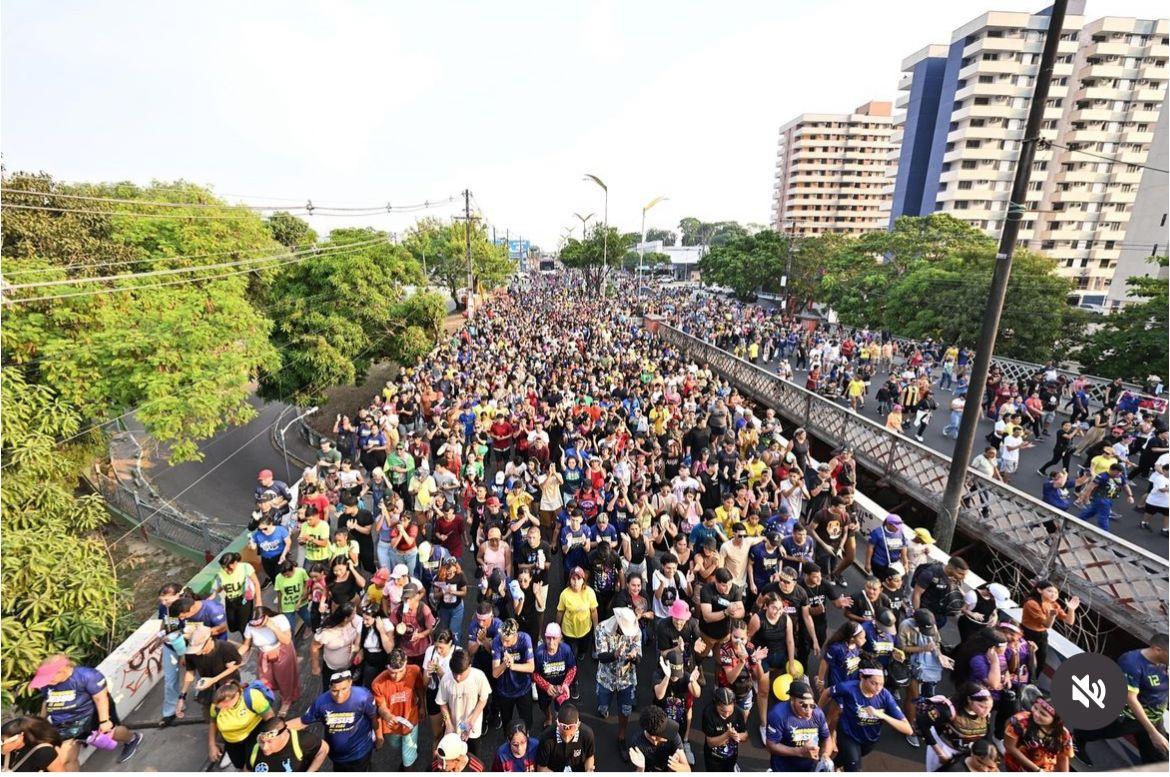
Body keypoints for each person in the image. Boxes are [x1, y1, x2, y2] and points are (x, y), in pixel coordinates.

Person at [28, 654, 142, 770]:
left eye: (49, 678)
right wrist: (42, 721)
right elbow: (47, 701)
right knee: (64, 761)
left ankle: (132, 738)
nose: (47, 682)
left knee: (114, 732)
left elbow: (101, 698)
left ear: (62, 670)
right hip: (63, 725)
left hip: (89, 717)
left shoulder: (87, 676)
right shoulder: (47, 684)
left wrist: (104, 721)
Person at [1073, 633, 1169, 766]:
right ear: (1158, 650)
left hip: (1155, 716)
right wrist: (1152, 732)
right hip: (1128, 715)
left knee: (1160, 757)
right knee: (1098, 731)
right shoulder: (1132, 663)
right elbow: (1130, 699)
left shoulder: (1164, 663)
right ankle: (1075, 739)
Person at [825, 664, 912, 772]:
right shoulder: (848, 688)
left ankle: (834, 765)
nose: (878, 688)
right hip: (848, 735)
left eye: (881, 684)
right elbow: (827, 692)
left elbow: (908, 729)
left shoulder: (885, 696)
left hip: (869, 740)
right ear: (862, 677)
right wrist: (817, 711)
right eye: (874, 683)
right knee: (854, 767)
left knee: (847, 758)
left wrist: (882, 715)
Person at [289, 670, 381, 771]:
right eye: (335, 691)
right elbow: (302, 722)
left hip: (360, 753)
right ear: (329, 687)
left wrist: (379, 737)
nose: (339, 695)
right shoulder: (321, 703)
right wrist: (278, 729)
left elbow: (374, 717)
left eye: (344, 689)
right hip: (337, 756)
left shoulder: (363, 697)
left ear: (350, 683)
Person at [594, 607, 642, 755]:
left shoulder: (636, 630)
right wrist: (615, 654)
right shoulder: (601, 628)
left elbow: (639, 658)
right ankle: (604, 708)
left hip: (626, 680)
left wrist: (634, 657)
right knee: (602, 705)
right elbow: (601, 656)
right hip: (606, 678)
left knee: (626, 709)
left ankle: (622, 736)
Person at [371, 648, 426, 770]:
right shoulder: (377, 683)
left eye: (401, 671)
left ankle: (410, 760)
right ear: (387, 667)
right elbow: (381, 706)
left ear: (406, 665)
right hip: (392, 726)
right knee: (395, 745)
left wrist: (422, 706)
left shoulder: (415, 671)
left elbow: (419, 688)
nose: (396, 676)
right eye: (392, 672)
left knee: (408, 759)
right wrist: (388, 716)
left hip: (410, 719)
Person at [207, 680, 275, 770]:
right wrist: (212, 745)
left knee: (252, 763)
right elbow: (213, 722)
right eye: (220, 707)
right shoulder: (216, 706)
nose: (223, 710)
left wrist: (269, 741)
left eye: (226, 706)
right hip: (231, 742)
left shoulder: (252, 697)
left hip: (254, 736)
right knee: (239, 763)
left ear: (237, 696)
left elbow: (270, 719)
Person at [765, 679, 832, 772]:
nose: (809, 710)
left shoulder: (818, 714)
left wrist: (825, 755)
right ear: (792, 700)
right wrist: (799, 752)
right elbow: (771, 745)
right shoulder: (778, 715)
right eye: (803, 705)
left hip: (810, 767)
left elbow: (827, 738)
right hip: (784, 768)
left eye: (812, 705)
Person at [436, 649, 492, 758]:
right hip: (453, 730)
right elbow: (442, 703)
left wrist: (472, 720)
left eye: (461, 674)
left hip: (473, 729)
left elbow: (483, 699)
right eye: (454, 673)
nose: (457, 678)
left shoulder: (479, 676)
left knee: (473, 758)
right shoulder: (446, 680)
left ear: (469, 666)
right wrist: (448, 724)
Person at [1019, 580, 1079, 676]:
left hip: (1042, 635)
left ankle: (1032, 680)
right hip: (1027, 633)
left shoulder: (1053, 604)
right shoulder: (1032, 603)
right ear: (1039, 590)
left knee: (1040, 662)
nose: (1053, 594)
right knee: (1023, 658)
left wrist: (1071, 609)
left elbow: (1069, 621)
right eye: (1050, 591)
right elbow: (1047, 625)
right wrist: (1052, 615)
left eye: (1055, 592)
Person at [1004, 691, 1072, 772]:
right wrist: (1036, 769)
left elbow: (1063, 759)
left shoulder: (1064, 735)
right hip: (1016, 767)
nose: (1036, 713)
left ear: (1056, 721)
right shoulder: (1019, 721)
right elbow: (1009, 746)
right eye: (1035, 708)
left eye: (1043, 714)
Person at [492, 619, 536, 730]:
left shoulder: (525, 639)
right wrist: (504, 664)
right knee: (507, 725)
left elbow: (531, 667)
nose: (504, 643)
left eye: (507, 641)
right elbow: (495, 673)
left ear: (515, 635)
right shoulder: (497, 641)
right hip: (505, 691)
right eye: (502, 639)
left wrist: (513, 666)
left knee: (527, 723)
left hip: (523, 689)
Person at [248, 716, 329, 772]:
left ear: (283, 736)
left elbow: (323, 749)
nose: (264, 747)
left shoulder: (302, 740)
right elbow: (247, 769)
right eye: (262, 742)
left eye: (269, 742)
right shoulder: (254, 750)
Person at [534, 623, 577, 728]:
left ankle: (558, 719)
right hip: (544, 689)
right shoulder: (539, 653)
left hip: (561, 687)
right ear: (545, 637)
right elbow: (534, 673)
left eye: (554, 638)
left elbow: (572, 668)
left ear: (560, 638)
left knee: (561, 708)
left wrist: (565, 684)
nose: (551, 642)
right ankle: (549, 717)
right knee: (544, 706)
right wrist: (546, 686)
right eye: (548, 638)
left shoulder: (566, 650)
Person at [535, 703, 596, 772]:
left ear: (578, 725)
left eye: (571, 735)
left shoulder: (587, 734)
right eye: (563, 735)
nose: (567, 740)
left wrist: (589, 770)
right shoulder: (546, 738)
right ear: (557, 724)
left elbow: (589, 756)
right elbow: (541, 768)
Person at [215, 552, 262, 638]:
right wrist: (214, 593)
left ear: (235, 563)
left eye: (229, 569)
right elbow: (222, 584)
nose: (227, 571)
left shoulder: (245, 567)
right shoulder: (222, 571)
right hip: (230, 600)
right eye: (224, 569)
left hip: (244, 600)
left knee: (244, 626)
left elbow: (256, 583)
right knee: (232, 626)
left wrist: (258, 601)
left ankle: (247, 641)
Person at [629, 704, 688, 773]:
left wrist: (676, 766)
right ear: (653, 737)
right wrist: (640, 768)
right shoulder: (637, 744)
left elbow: (687, 770)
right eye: (666, 732)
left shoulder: (673, 734)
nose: (671, 732)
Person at [701, 686, 748, 771]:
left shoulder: (739, 713)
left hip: (731, 757)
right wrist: (727, 735)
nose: (726, 715)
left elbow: (745, 736)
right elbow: (710, 743)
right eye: (722, 711)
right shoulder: (708, 713)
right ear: (716, 705)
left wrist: (737, 735)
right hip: (713, 759)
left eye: (730, 711)